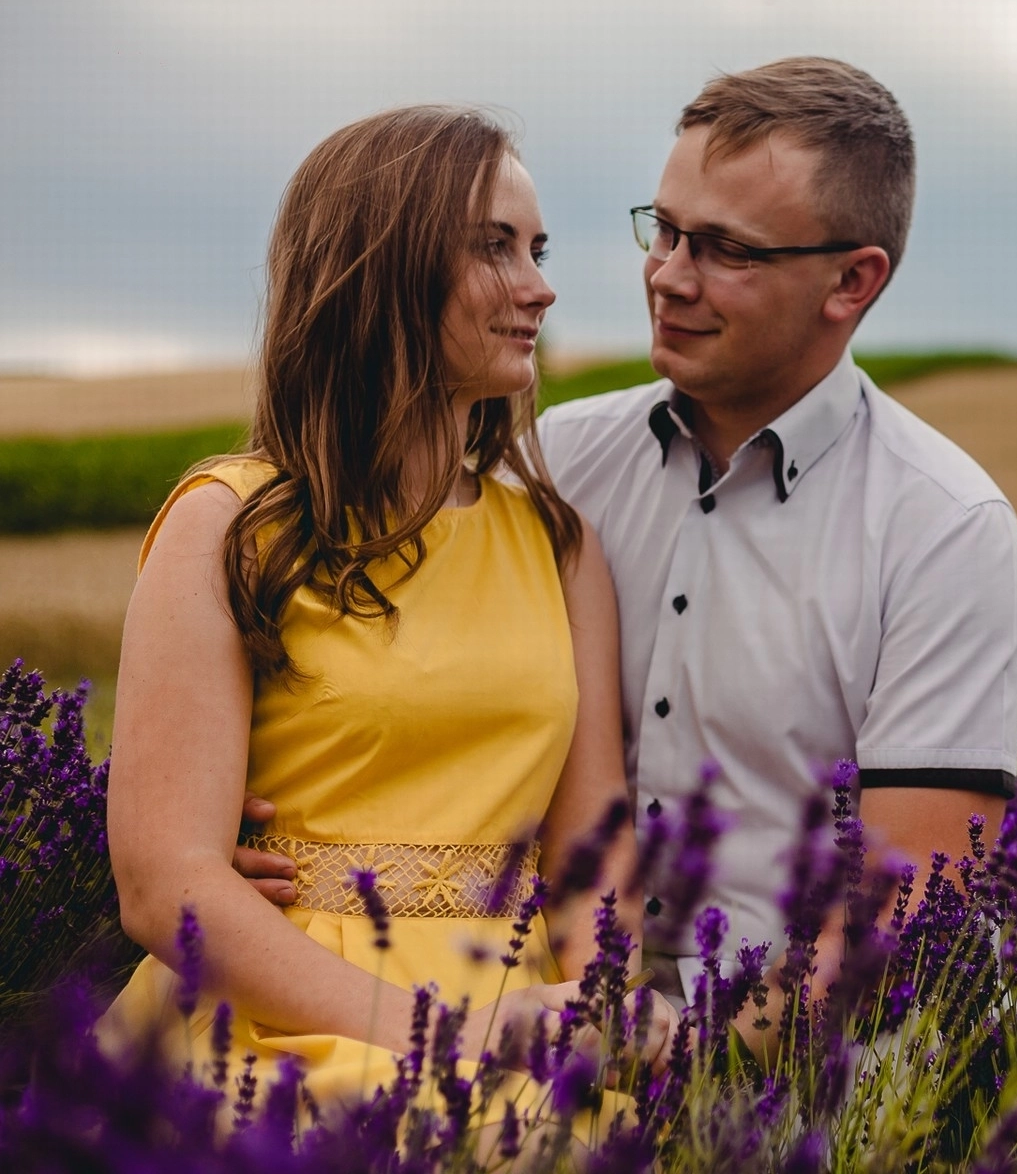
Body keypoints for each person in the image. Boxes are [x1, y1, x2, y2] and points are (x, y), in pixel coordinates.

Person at [104, 104, 670, 1107]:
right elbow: (163, 886)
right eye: (494, 247)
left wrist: (604, 1013)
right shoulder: (228, 526)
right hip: (282, 1015)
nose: (540, 286)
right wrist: (452, 1036)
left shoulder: (559, 546)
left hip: (519, 1017)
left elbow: (589, 856)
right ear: (383, 268)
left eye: (537, 249)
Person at [531, 57, 1017, 1012]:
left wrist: (684, 1058)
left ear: (852, 281)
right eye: (665, 230)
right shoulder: (557, 463)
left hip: (815, 1063)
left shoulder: (946, 531)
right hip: (562, 1022)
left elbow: (906, 909)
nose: (668, 276)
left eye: (727, 250)